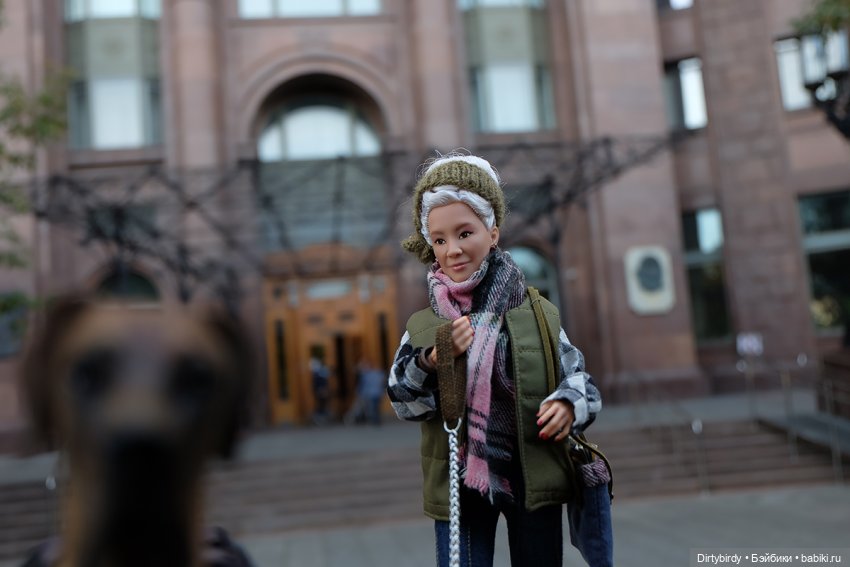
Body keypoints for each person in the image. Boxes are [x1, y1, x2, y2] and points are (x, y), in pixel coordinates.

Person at [386, 153, 605, 567]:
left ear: (493, 232)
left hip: (532, 471)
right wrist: (432, 360)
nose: (452, 250)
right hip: (460, 481)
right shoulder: (425, 325)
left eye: (465, 233)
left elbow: (580, 379)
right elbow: (402, 401)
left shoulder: (537, 312)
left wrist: (568, 404)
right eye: (439, 240)